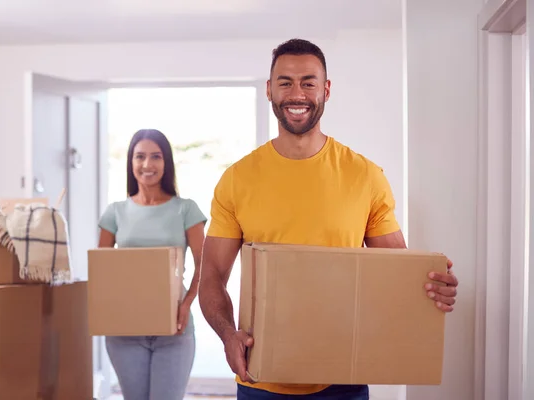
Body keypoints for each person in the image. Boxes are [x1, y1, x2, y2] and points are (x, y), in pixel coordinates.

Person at [198, 38, 459, 400]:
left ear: (326, 89)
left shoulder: (365, 175)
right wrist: (228, 333)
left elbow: (396, 272)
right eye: (285, 82)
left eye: (309, 81)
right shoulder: (237, 179)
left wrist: (431, 287)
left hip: (342, 379)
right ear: (269, 90)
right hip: (261, 379)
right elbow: (211, 277)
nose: (297, 93)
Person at [97, 129, 207, 400]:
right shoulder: (115, 212)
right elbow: (102, 271)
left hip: (174, 330)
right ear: (131, 163)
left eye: (156, 157)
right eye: (140, 157)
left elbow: (205, 266)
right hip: (125, 332)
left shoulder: (186, 209)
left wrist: (186, 305)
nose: (147, 165)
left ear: (166, 162)